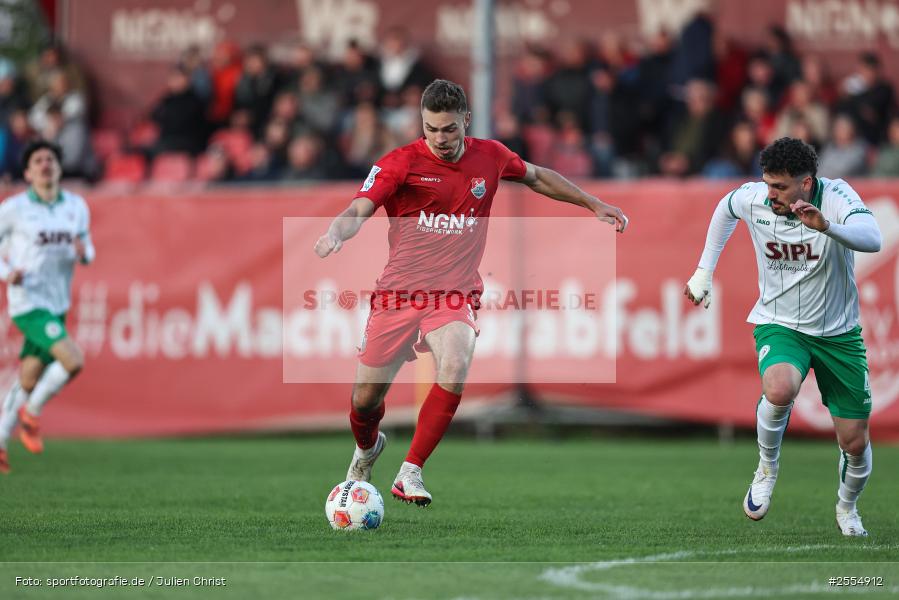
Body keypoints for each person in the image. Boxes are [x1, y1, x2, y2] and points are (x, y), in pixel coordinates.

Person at [314, 79, 627, 506]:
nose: (440, 139)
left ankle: (411, 472)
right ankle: (367, 450)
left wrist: (593, 203)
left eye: (449, 129)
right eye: (431, 129)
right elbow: (359, 208)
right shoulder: (399, 164)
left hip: (454, 293)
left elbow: (537, 177)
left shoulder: (491, 156)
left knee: (457, 360)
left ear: (466, 121)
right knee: (364, 401)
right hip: (399, 295)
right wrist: (337, 232)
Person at [684, 137, 881, 536]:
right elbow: (725, 209)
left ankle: (847, 509)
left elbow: (873, 238)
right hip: (781, 323)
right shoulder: (755, 197)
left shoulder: (838, 195)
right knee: (778, 389)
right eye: (767, 183)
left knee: (855, 443)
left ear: (806, 183)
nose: (770, 193)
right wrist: (704, 272)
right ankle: (767, 466)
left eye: (780, 187)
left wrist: (827, 226)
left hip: (838, 333)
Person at [0, 141, 95, 473]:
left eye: (50, 159)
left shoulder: (76, 206)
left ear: (58, 167)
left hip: (57, 302)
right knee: (73, 359)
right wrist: (5, 272)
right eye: (38, 160)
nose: (45, 164)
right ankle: (32, 414)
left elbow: (88, 249)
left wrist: (84, 253)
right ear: (27, 172)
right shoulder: (14, 209)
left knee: (28, 377)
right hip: (28, 302)